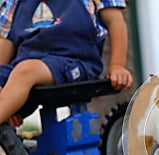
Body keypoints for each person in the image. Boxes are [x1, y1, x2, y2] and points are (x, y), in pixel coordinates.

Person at [0, 0, 133, 126]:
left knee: (26, 71)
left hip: (73, 60)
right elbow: (6, 41)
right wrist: (5, 96)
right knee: (21, 72)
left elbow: (114, 21)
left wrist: (117, 65)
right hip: (26, 64)